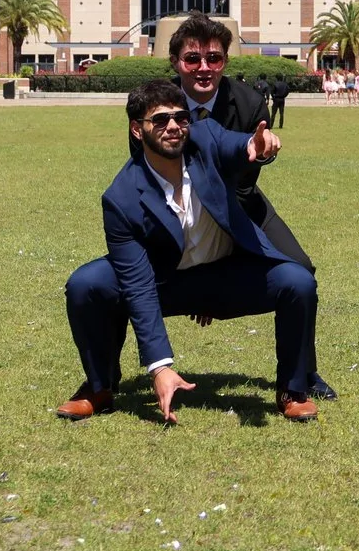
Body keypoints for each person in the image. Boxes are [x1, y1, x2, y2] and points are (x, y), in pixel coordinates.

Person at [59, 78, 320, 424]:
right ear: (137, 130)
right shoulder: (121, 199)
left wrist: (254, 145)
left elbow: (234, 144)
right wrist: (159, 367)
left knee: (298, 282)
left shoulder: (206, 137)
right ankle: (99, 387)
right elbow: (137, 284)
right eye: (160, 120)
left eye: (180, 118)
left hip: (225, 274)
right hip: (165, 282)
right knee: (87, 284)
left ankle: (292, 390)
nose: (173, 126)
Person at [154, 13, 335, 398]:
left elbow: (242, 184)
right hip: (176, 210)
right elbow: (151, 178)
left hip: (239, 202)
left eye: (214, 58)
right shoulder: (156, 104)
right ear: (175, 62)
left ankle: (303, 374)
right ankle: (104, 380)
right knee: (123, 279)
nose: (204, 68)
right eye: (193, 59)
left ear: (225, 61)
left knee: (301, 270)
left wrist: (264, 151)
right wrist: (202, 277)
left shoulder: (251, 103)